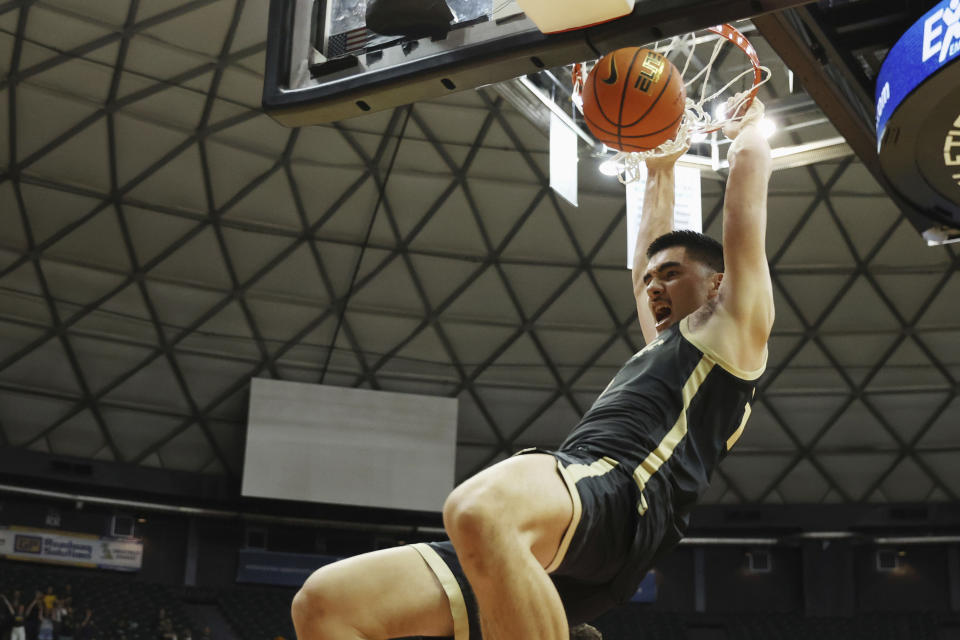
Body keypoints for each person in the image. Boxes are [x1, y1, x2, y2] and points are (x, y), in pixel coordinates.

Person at [291, 98, 773, 639]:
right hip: (565, 523)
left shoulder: (731, 328)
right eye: (650, 280)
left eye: (672, 274)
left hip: (624, 496)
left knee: (480, 509)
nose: (653, 285)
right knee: (325, 604)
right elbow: (643, 261)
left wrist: (748, 133)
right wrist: (660, 170)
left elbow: (744, 216)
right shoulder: (668, 344)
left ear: (716, 283)